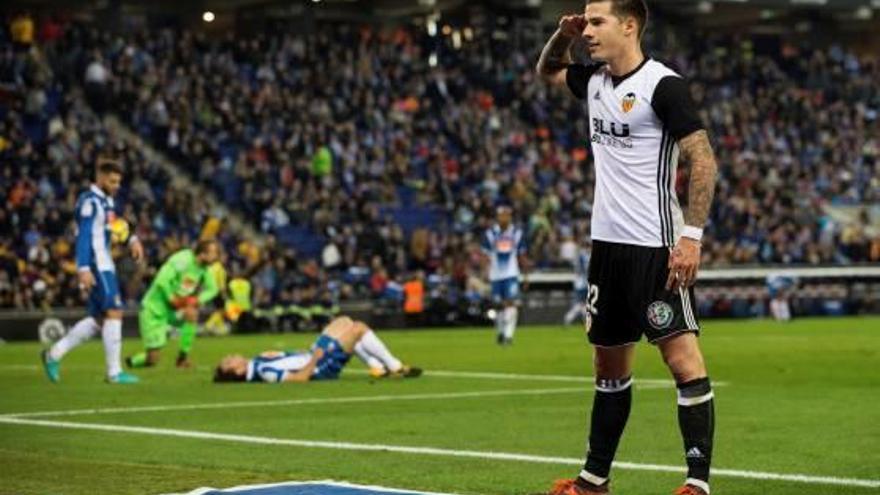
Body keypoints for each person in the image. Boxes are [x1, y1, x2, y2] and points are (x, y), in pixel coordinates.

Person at [536, 1, 719, 494]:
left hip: (655, 247)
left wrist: (691, 236)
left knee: (683, 362)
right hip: (607, 249)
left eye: (597, 23)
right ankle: (594, 482)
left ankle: (697, 485)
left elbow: (703, 161)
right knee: (608, 367)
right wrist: (564, 35)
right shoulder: (593, 81)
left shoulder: (663, 85)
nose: (589, 31)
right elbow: (547, 69)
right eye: (587, 23)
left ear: (629, 26)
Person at [41, 158, 144, 384]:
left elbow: (115, 225)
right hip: (97, 264)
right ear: (100, 178)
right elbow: (84, 236)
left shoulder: (106, 201)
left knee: (99, 319)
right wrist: (84, 268)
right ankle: (114, 373)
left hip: (105, 262)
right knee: (114, 312)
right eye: (112, 181)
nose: (117, 186)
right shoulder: (89, 202)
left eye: (119, 182)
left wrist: (132, 239)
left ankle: (53, 354)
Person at [213, 316, 421, 383]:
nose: (231, 356)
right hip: (320, 368)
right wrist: (314, 359)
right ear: (238, 372)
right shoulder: (263, 371)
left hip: (312, 356)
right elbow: (298, 379)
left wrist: (310, 352)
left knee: (343, 322)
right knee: (358, 328)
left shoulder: (258, 361)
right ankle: (394, 365)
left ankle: (375, 366)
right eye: (229, 361)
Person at [125, 240, 222, 369]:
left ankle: (182, 359)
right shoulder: (182, 260)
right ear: (203, 254)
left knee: (191, 313)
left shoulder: (204, 269)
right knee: (153, 359)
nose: (217, 256)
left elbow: (213, 289)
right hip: (154, 309)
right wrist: (171, 299)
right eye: (214, 253)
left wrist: (197, 300)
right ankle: (133, 362)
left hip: (173, 309)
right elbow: (161, 280)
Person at [481, 205, 528, 345]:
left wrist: (525, 275)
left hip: (511, 274)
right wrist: (484, 271)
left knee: (511, 303)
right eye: (502, 215)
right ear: (497, 216)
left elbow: (522, 255)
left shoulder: (517, 233)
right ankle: (501, 332)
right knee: (498, 305)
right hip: (495, 275)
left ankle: (509, 334)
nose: (505, 218)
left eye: (507, 215)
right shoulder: (490, 234)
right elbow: (485, 255)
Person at [564, 237, 592, 326]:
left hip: (581, 282)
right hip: (582, 282)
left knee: (584, 303)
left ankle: (584, 320)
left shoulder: (582, 254)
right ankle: (569, 318)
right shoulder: (583, 255)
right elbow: (583, 269)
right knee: (581, 303)